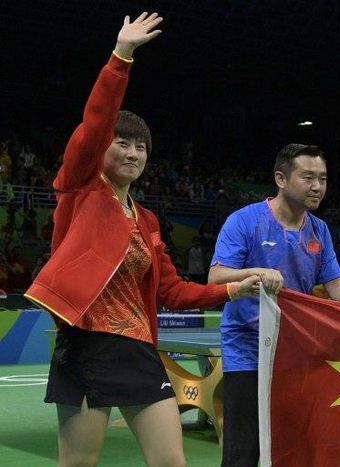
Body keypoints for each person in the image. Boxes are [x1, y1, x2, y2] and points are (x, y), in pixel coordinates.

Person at [23, 13, 261, 467]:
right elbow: (94, 126)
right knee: (79, 464)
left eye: (141, 147)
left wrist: (235, 288)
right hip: (88, 347)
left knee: (171, 461)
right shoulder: (79, 190)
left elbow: (172, 290)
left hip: (139, 351)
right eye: (123, 143)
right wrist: (121, 57)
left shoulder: (146, 219)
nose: (132, 153)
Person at [209, 143, 340, 467]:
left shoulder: (319, 230)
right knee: (243, 451)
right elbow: (216, 277)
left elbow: (336, 286)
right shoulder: (244, 221)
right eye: (308, 177)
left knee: (292, 445)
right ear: (281, 179)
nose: (318, 187)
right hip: (247, 350)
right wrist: (255, 272)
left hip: (294, 352)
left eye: (323, 179)